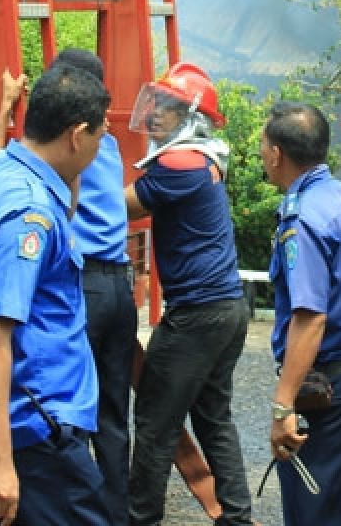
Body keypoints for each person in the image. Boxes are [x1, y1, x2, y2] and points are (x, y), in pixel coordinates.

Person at [0, 49, 137, 525]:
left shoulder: (69, 149)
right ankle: (110, 513)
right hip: (119, 288)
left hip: (83, 282)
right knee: (114, 416)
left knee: (67, 413)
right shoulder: (104, 144)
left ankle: (61, 501)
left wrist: (5, 109)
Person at [0, 64, 111, 526]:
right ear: (76, 134)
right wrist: (1, 462)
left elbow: (64, 203)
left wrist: (4, 108)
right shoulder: (28, 215)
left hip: (21, 422)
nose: (100, 146)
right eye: (100, 135)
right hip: (37, 427)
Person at [124, 61, 256, 526]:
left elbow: (121, 205)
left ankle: (140, 520)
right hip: (227, 308)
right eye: (155, 102)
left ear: (191, 116)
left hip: (197, 315)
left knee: (155, 424)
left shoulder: (179, 163)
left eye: (168, 106)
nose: (155, 112)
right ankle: (237, 517)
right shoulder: (204, 157)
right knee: (213, 416)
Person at [261, 101, 341, 526]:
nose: (262, 155)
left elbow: (310, 317)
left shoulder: (303, 218)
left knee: (313, 514)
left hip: (327, 392)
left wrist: (282, 407)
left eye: (263, 146)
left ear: (277, 154)